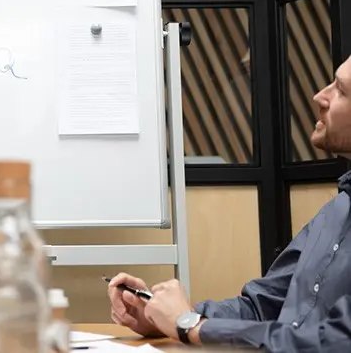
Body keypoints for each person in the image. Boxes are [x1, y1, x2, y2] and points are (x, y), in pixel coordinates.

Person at [108, 55, 351, 351]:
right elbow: (260, 307)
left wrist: (191, 325)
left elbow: (335, 341)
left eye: (341, 90)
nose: (320, 96)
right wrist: (163, 316)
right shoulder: (335, 212)